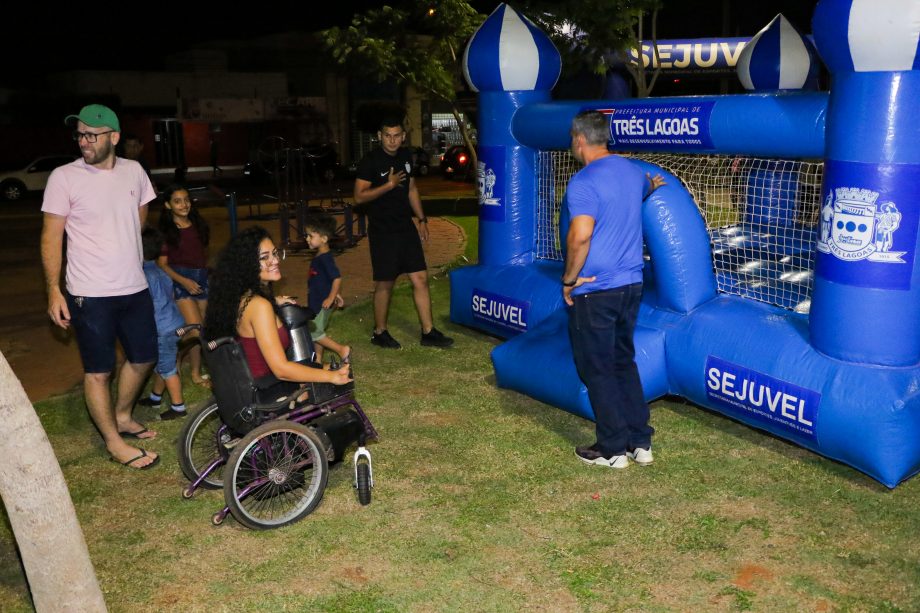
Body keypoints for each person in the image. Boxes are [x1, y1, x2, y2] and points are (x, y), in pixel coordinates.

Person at [41, 103, 160, 470]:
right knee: (98, 370)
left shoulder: (135, 171)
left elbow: (139, 215)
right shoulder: (64, 177)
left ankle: (122, 416)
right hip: (88, 294)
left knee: (143, 357)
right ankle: (113, 442)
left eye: (91, 135)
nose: (83, 142)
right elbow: (51, 236)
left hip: (134, 287)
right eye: (79, 135)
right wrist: (54, 289)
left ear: (114, 137)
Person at [562, 110, 665, 469]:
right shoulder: (632, 172)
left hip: (597, 289)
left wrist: (569, 280)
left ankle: (612, 449)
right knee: (623, 361)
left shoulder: (583, 182)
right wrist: (655, 185)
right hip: (631, 285)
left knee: (598, 367)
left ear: (578, 139)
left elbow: (581, 236)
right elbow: (645, 187)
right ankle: (640, 442)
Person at [204, 226, 351, 396]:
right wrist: (330, 377)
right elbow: (281, 369)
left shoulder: (241, 298)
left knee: (325, 368)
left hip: (250, 384)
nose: (274, 261)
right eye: (264, 257)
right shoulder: (260, 307)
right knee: (334, 376)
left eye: (274, 253)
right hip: (268, 390)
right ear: (247, 265)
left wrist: (275, 300)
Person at [353, 114, 453, 350]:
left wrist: (422, 219)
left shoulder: (406, 157)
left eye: (397, 136)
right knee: (386, 282)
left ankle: (428, 332)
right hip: (382, 230)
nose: (392, 140)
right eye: (387, 136)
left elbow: (411, 188)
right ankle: (379, 332)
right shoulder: (370, 161)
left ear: (403, 137)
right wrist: (387, 185)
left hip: (405, 228)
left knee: (420, 277)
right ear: (379, 136)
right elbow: (358, 196)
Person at [157, 184, 211, 387]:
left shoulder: (198, 224)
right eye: (177, 201)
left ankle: (196, 373)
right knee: (195, 331)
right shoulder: (167, 232)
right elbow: (162, 264)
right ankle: (173, 361)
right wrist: (185, 282)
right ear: (168, 205)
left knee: (202, 331)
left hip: (201, 278)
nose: (184, 204)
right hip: (181, 281)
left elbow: (200, 255)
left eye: (186, 199)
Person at [140, 226, 187, 420]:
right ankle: (155, 397)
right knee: (163, 362)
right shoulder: (161, 272)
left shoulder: (142, 277)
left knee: (167, 368)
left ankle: (178, 407)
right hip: (175, 322)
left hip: (162, 329)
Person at [305, 214, 351, 365]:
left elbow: (337, 278)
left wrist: (331, 297)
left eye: (310, 236)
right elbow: (327, 279)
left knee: (314, 332)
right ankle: (318, 360)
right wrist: (336, 294)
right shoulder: (320, 256)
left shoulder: (325, 258)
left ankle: (341, 350)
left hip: (323, 303)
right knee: (318, 331)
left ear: (324, 239)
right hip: (317, 302)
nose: (307, 239)